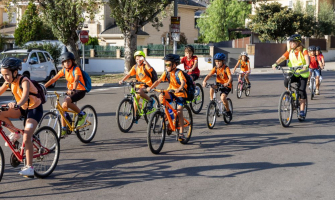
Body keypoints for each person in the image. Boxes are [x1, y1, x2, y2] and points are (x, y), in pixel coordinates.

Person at [0, 57, 43, 177]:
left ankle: (29, 167)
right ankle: (15, 133)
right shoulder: (8, 81)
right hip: (22, 109)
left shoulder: (24, 81)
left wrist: (17, 104)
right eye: (2, 75)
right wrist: (18, 106)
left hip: (34, 109)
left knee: (27, 136)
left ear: (14, 72)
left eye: (6, 74)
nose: (4, 77)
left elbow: (24, 97)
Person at [45, 52, 87, 138]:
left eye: (68, 61)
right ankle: (64, 128)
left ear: (72, 61)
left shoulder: (76, 69)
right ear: (62, 63)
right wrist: (43, 87)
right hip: (71, 91)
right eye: (65, 62)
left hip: (79, 90)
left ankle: (82, 114)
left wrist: (74, 89)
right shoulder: (64, 70)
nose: (67, 63)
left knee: (67, 101)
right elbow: (54, 79)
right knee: (63, 107)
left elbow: (76, 80)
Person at [147, 54, 187, 141]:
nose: (167, 66)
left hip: (180, 94)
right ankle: (166, 113)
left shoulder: (178, 72)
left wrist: (179, 88)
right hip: (171, 92)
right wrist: (151, 87)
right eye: (166, 64)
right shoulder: (166, 73)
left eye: (168, 64)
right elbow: (158, 81)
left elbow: (183, 82)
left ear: (174, 64)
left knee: (179, 112)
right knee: (162, 94)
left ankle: (181, 133)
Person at [272, 34, 310, 118]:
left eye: (293, 42)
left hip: (302, 73)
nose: (291, 43)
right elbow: (282, 58)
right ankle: (291, 96)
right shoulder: (289, 51)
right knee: (286, 81)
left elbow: (307, 58)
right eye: (290, 42)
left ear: (298, 43)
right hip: (293, 72)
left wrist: (307, 64)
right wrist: (276, 63)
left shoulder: (303, 50)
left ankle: (302, 110)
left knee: (301, 91)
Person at [118, 51, 155, 123]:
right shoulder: (135, 67)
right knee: (135, 99)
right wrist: (122, 80)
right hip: (139, 85)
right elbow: (129, 74)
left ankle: (151, 100)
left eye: (140, 58)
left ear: (143, 59)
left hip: (147, 84)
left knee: (139, 92)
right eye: (137, 59)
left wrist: (145, 60)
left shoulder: (145, 66)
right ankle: (135, 116)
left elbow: (150, 68)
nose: (138, 60)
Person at [202, 53, 232, 118]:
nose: (217, 63)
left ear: (223, 61)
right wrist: (204, 81)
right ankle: (212, 101)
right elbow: (209, 75)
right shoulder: (215, 68)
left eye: (219, 61)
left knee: (223, 98)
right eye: (216, 61)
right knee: (211, 87)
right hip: (218, 83)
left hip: (226, 85)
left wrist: (227, 83)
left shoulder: (226, 68)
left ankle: (228, 111)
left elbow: (230, 78)